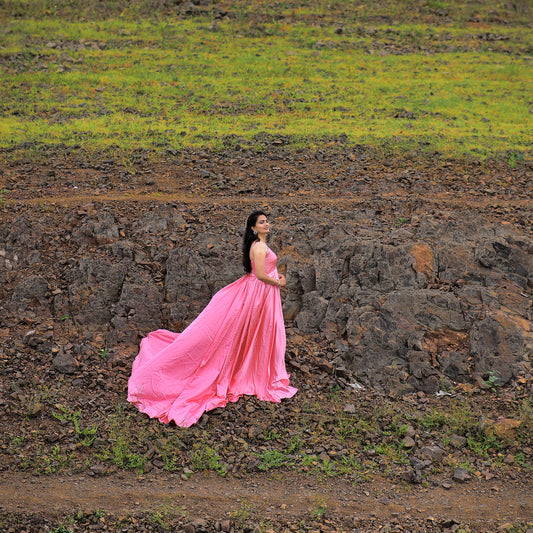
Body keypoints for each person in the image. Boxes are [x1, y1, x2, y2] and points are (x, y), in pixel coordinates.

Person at [127, 210, 297, 427]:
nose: (267, 224)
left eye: (267, 221)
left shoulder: (257, 245)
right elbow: (262, 275)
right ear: (253, 227)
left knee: (255, 330)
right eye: (262, 222)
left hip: (258, 290)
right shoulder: (260, 246)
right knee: (257, 330)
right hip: (259, 291)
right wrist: (279, 282)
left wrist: (275, 276)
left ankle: (250, 364)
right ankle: (249, 368)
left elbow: (263, 271)